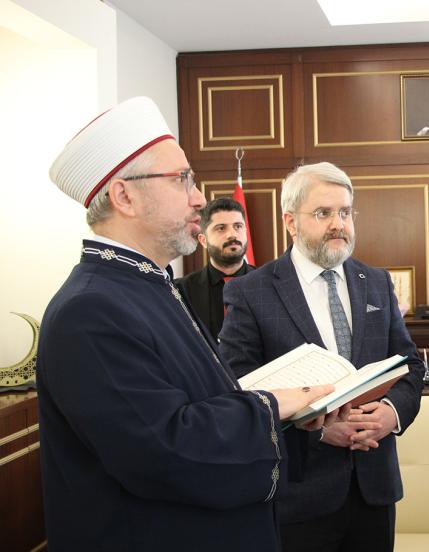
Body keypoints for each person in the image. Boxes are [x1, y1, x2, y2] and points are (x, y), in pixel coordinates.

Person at [38, 96, 333, 551]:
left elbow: (202, 402)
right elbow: (166, 450)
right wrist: (271, 406)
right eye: (181, 179)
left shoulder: (148, 285)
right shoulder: (90, 311)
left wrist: (290, 413)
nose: (199, 198)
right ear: (124, 196)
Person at [219, 161, 425, 552]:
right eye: (323, 213)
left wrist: (391, 414)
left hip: (373, 488)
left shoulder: (376, 282)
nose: (338, 224)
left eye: (345, 212)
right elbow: (237, 386)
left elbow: (411, 365)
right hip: (298, 495)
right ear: (291, 222)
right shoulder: (252, 291)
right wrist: (316, 428)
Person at [176, 197, 255, 341]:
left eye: (238, 226)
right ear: (203, 240)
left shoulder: (269, 285)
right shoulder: (181, 291)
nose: (232, 234)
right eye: (221, 228)